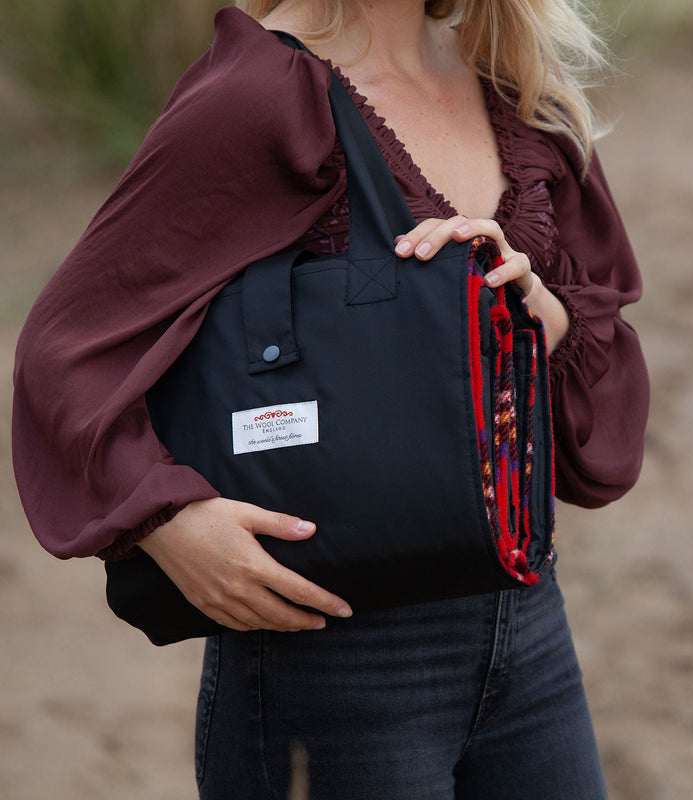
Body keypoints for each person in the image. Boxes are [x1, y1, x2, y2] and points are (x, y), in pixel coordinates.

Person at [13, 0, 649, 797]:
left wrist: (536, 315)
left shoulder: (520, 92)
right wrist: (165, 519)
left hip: (529, 627)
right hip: (331, 662)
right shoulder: (260, 95)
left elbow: (599, 394)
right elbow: (66, 347)